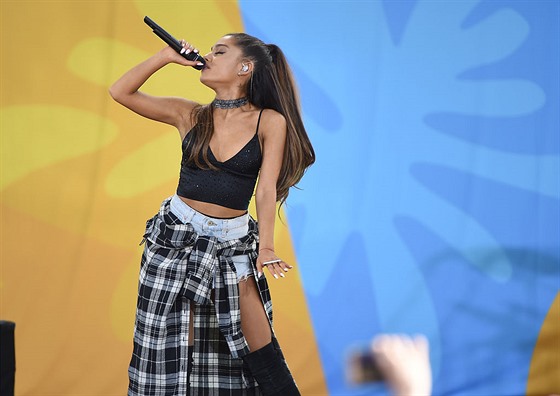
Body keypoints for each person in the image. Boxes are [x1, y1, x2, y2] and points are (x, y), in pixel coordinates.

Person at [109, 31, 314, 396]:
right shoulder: (190, 114)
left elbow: (265, 191)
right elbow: (121, 92)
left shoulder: (269, 121)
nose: (208, 55)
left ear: (245, 67)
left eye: (220, 51)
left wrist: (266, 247)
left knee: (258, 344)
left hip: (233, 242)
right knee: (170, 350)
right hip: (176, 240)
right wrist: (164, 56)